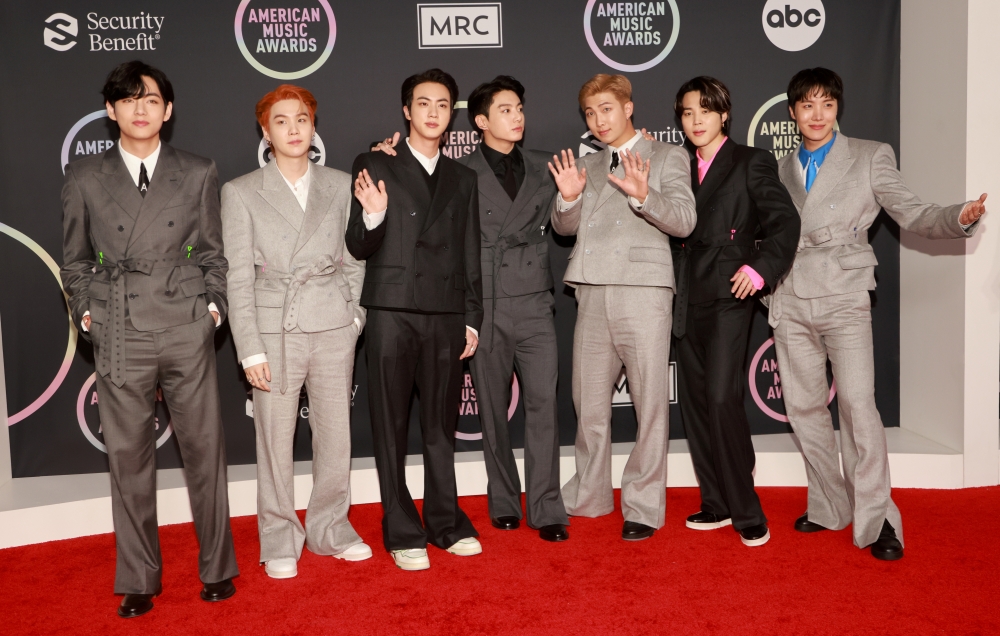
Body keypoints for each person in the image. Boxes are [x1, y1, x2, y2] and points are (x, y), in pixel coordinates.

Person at [771, 67, 987, 560]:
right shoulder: (779, 168)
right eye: (807, 106)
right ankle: (829, 505)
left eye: (826, 104)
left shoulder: (869, 156)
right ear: (793, 112)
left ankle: (879, 521)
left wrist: (958, 216)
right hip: (791, 297)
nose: (817, 115)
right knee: (804, 411)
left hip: (844, 295)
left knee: (857, 408)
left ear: (838, 108)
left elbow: (910, 212)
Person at [60, 60, 237, 618]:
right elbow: (75, 261)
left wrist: (213, 310)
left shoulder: (198, 169)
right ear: (110, 111)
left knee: (205, 454)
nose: (142, 108)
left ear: (168, 109)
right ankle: (138, 576)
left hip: (186, 325)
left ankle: (217, 568)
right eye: (129, 99)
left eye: (152, 99)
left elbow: (213, 252)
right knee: (128, 461)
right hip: (119, 332)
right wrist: (88, 312)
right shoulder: (85, 178)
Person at [371, 76, 569, 543]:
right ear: (479, 121)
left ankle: (547, 507)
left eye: (520, 108)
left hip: (535, 301)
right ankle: (503, 502)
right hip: (485, 303)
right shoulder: (456, 173)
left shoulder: (550, 166)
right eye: (504, 109)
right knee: (493, 412)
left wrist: (573, 197)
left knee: (544, 406)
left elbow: (567, 224)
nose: (516, 116)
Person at [221, 85, 373, 580]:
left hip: (332, 325)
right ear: (265, 132)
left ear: (313, 126)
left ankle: (331, 528)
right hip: (273, 328)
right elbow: (238, 277)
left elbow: (354, 260)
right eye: (282, 121)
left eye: (302, 119)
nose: (293, 129)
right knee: (274, 440)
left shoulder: (341, 183)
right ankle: (280, 536)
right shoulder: (241, 191)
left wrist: (354, 318)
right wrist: (249, 349)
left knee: (336, 436)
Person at [345, 69, 484, 570]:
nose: (431, 112)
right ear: (407, 111)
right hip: (392, 311)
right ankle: (401, 528)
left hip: (446, 313)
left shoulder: (463, 177)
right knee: (390, 426)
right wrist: (375, 215)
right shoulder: (373, 163)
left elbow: (471, 252)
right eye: (422, 103)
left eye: (442, 104)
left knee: (440, 427)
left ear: (452, 114)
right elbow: (357, 244)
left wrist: (472, 317)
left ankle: (445, 523)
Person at [548, 74, 697, 541]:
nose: (599, 120)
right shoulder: (588, 164)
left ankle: (643, 505)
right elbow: (563, 227)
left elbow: (685, 220)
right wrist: (568, 198)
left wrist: (644, 196)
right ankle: (590, 493)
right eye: (590, 113)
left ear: (629, 108)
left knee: (651, 402)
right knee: (588, 403)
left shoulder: (668, 155)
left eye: (607, 109)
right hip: (591, 291)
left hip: (644, 291)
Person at [668, 77, 801, 547]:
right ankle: (716, 503)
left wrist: (761, 269)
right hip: (683, 297)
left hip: (729, 294)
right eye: (686, 112)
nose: (696, 120)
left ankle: (746, 510)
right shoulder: (675, 167)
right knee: (697, 404)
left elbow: (785, 221)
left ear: (724, 114)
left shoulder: (751, 161)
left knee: (723, 399)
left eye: (705, 110)